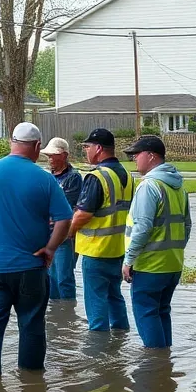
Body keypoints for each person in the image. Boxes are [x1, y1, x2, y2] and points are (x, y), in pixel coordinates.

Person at [0, 122, 73, 376]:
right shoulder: (45, 178)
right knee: (31, 326)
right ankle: (32, 388)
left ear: (12, 142)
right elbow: (65, 219)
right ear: (38, 146)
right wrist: (51, 248)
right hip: (31, 267)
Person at [121, 135, 191, 349]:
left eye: (137, 154)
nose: (134, 159)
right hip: (173, 264)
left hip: (150, 265)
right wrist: (176, 251)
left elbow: (142, 228)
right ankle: (164, 360)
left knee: (147, 313)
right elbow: (187, 225)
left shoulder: (149, 186)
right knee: (162, 311)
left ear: (151, 156)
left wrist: (128, 260)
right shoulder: (178, 186)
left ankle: (155, 367)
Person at [67, 128, 133, 332]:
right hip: (118, 250)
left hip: (96, 251)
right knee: (115, 298)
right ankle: (120, 343)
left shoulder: (97, 176)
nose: (86, 151)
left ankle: (99, 356)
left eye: (87, 147)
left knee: (96, 310)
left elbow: (83, 214)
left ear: (98, 148)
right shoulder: (127, 175)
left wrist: (65, 233)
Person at [42, 136, 83, 300]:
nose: (50, 159)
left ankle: (67, 313)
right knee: (51, 278)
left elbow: (65, 205)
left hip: (65, 237)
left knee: (64, 278)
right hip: (48, 235)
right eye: (48, 156)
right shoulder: (48, 177)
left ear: (64, 156)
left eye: (53, 155)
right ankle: (57, 314)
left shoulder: (73, 177)